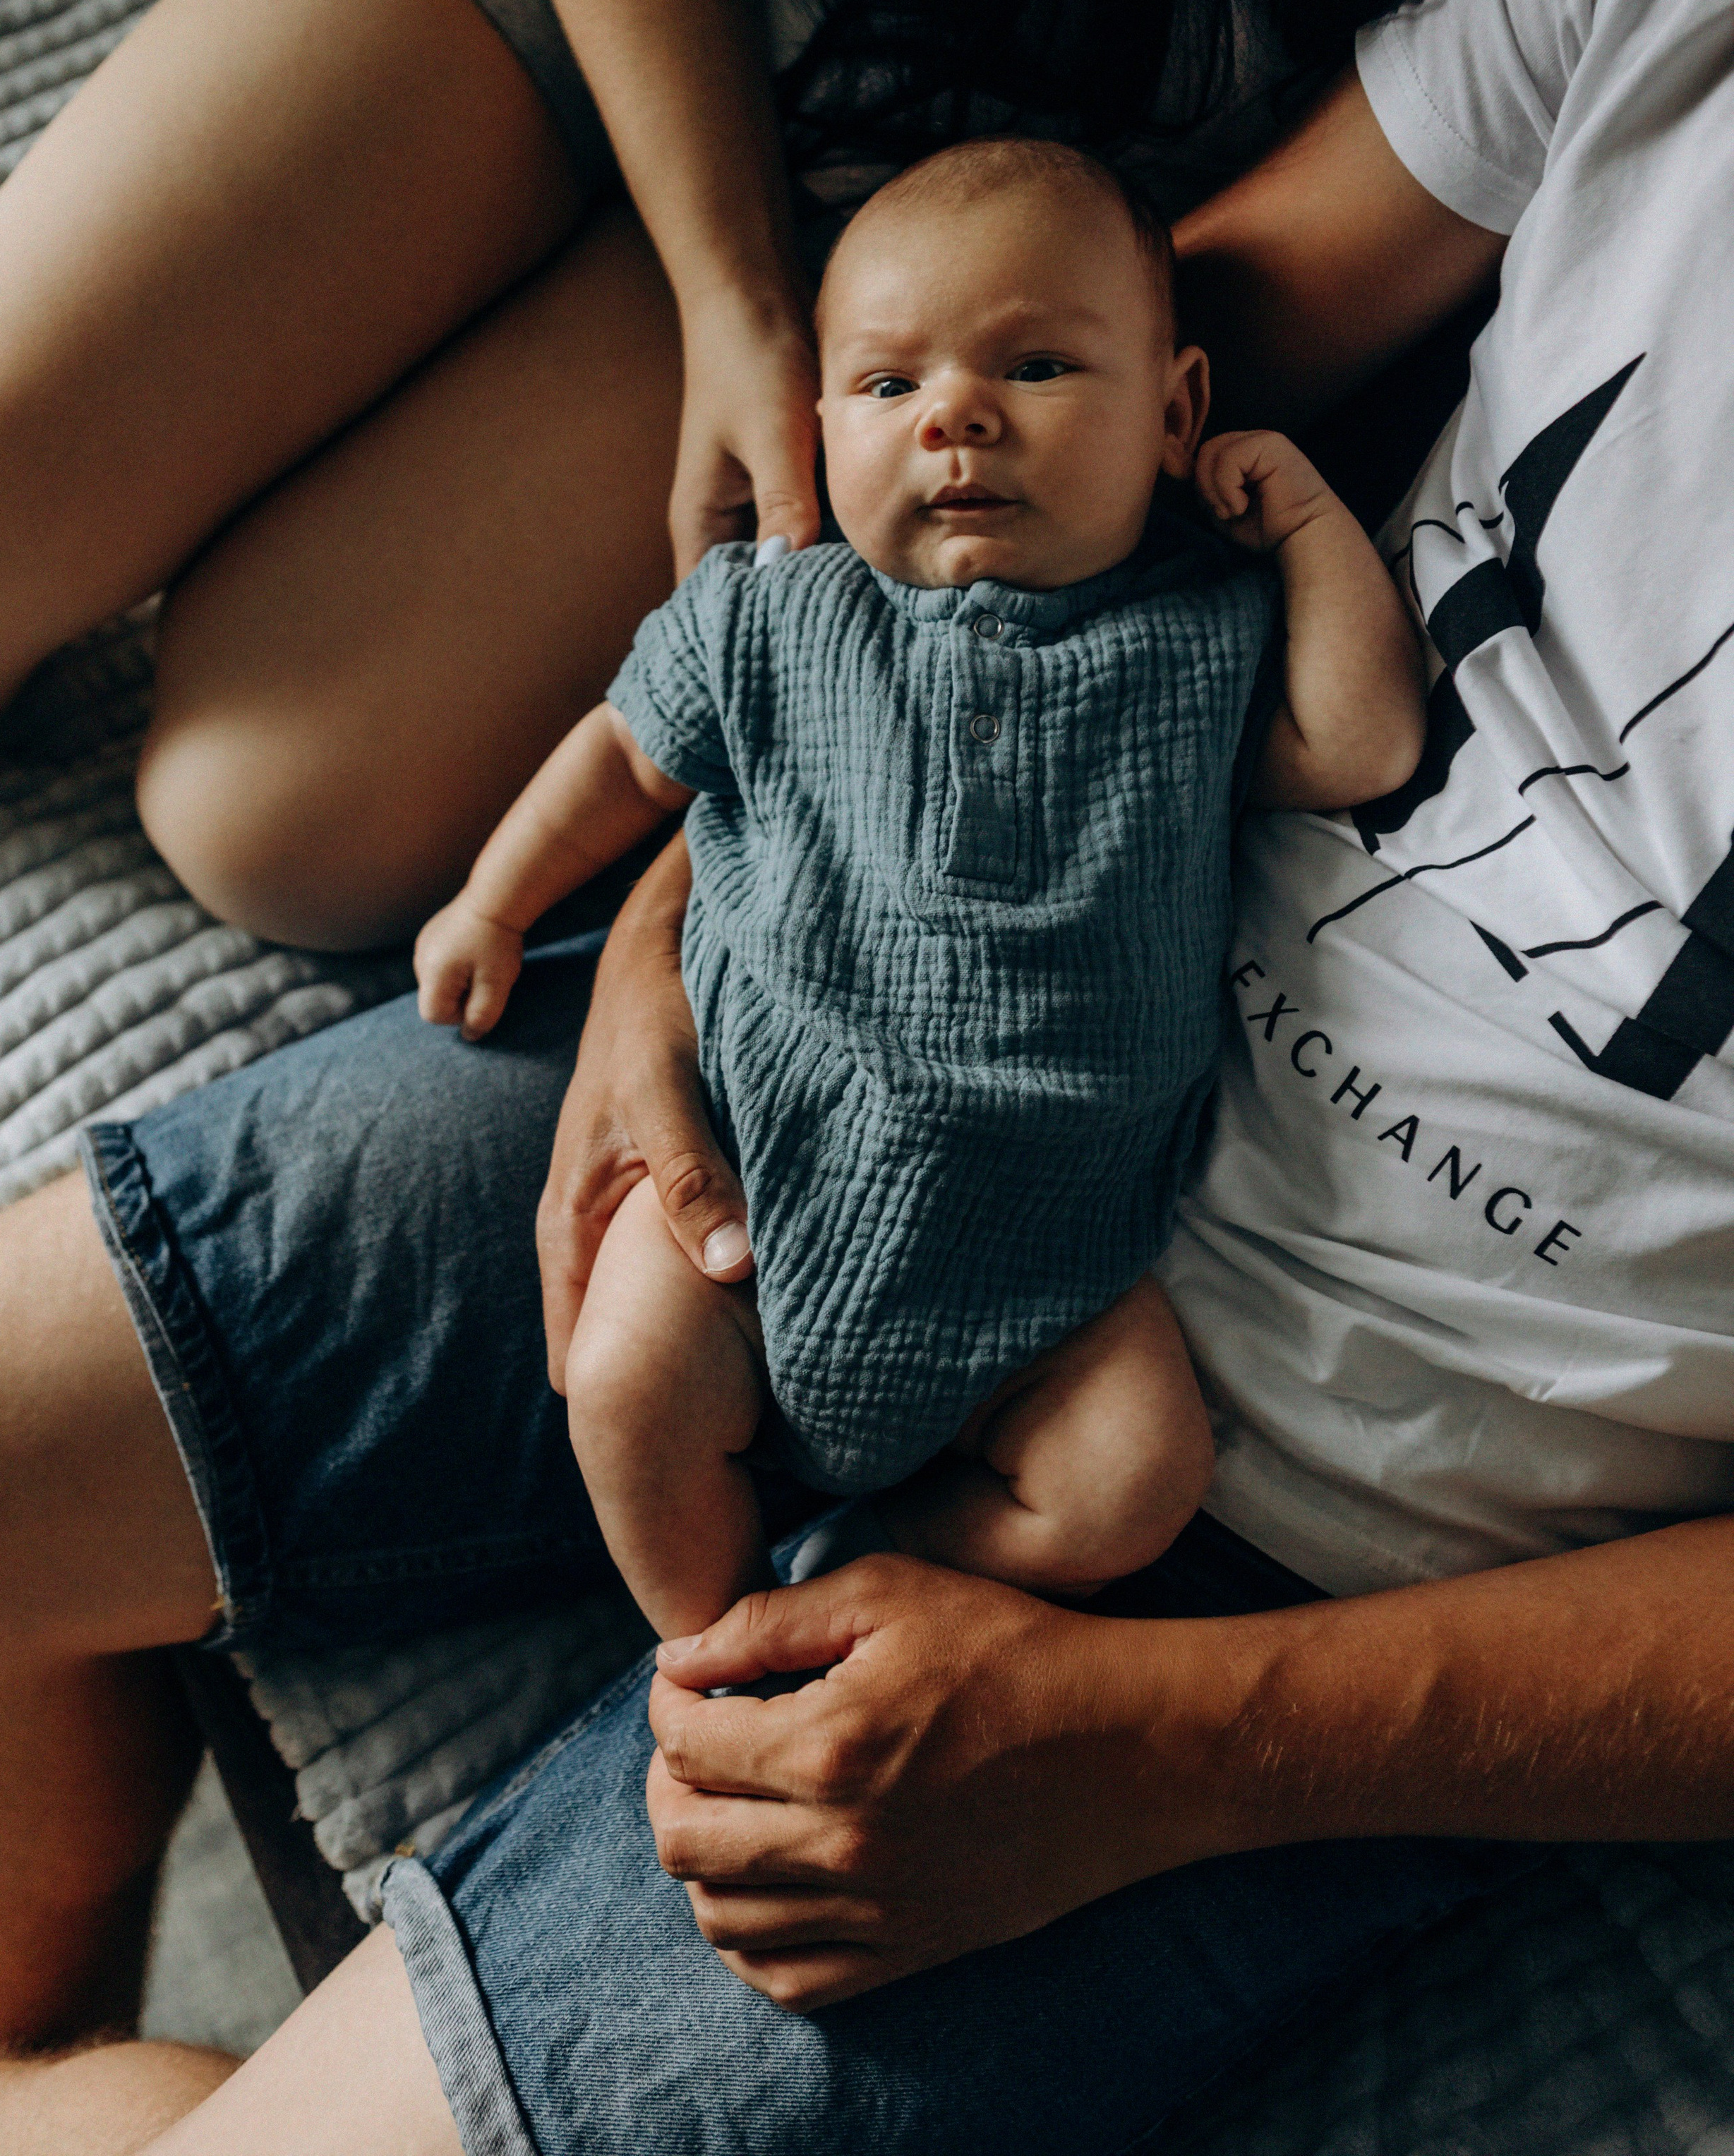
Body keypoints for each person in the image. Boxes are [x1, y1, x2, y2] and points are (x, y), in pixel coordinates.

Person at [0, 0, 1734, 2130]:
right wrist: (785, 771)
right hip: (902, 989)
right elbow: (1201, 316)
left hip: (1345, 1516)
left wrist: (1182, 1745)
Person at [0, 0, 1625, 949]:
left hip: (966, 232)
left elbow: (1346, 231)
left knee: (264, 822)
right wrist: (723, 291)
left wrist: (932, 362)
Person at [415, 139, 1421, 1637]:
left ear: (1174, 411)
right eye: (888, 389)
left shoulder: (1191, 643)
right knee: (626, 1392)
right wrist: (495, 901)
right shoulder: (770, 616)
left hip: (1056, 1267)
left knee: (1131, 1480)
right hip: (757, 1187)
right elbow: (622, 758)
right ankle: (715, 1639)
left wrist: (1301, 522)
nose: (953, 415)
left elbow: (1359, 739)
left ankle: (874, 1571)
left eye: (1032, 366)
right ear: (818, 427)